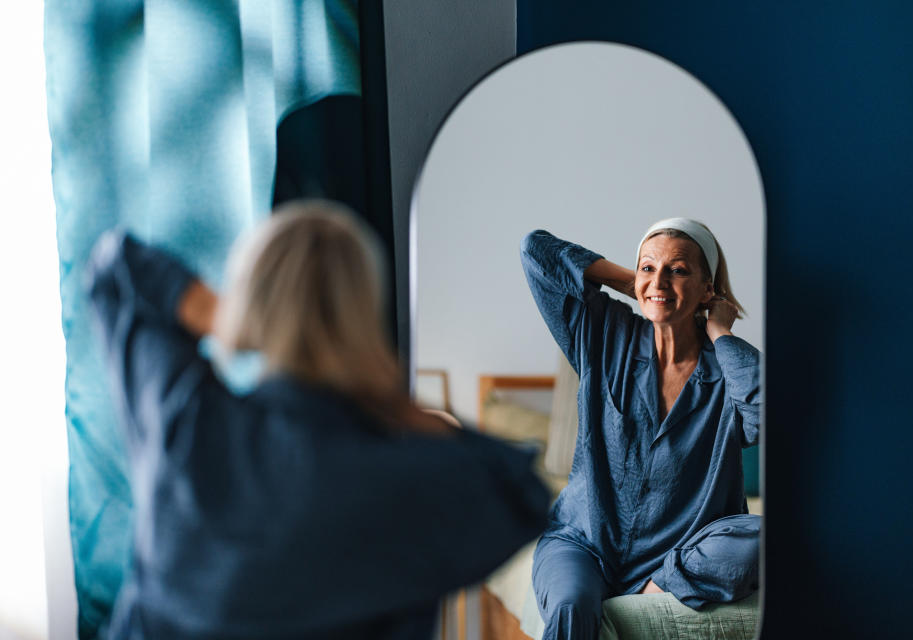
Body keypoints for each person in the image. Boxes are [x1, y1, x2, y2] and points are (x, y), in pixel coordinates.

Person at [86, 199, 550, 640]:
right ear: (364, 315)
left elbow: (115, 269)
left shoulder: (188, 425)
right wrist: (393, 401)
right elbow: (523, 493)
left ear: (254, 306)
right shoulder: (403, 481)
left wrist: (225, 317)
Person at [521, 219, 761, 640]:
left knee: (766, 535)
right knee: (572, 606)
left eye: (679, 270)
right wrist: (637, 283)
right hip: (583, 543)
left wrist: (720, 332)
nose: (661, 280)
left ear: (708, 289)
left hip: (675, 553)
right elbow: (535, 251)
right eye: (649, 266)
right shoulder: (604, 334)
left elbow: (761, 413)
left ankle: (664, 582)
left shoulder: (726, 370)